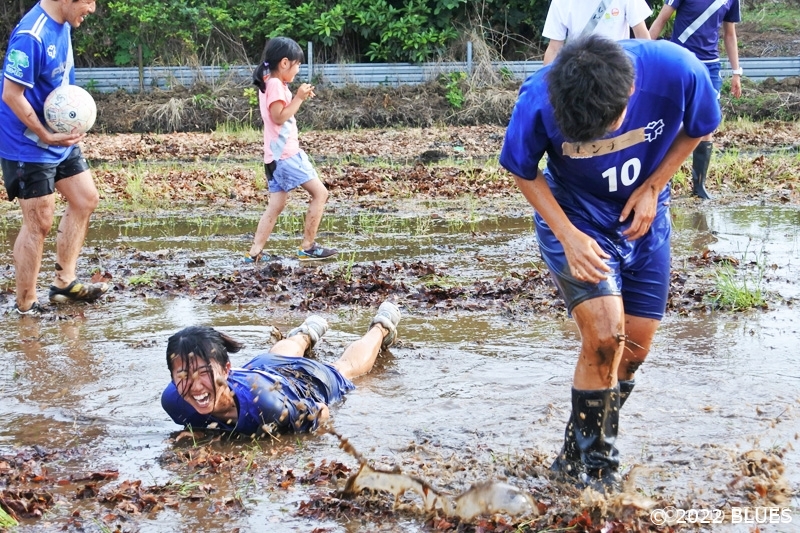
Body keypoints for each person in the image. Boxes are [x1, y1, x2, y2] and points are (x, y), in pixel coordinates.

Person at [499, 35, 720, 491]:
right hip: (576, 219)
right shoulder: (539, 95)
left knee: (633, 353)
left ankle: (572, 454)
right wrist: (568, 235)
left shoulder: (677, 70)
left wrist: (655, 186)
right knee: (604, 338)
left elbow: (700, 126)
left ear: (630, 94)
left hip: (643, 216)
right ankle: (599, 472)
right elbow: (522, 167)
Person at [1, 0, 108, 315]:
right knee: (39, 221)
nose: (91, 8)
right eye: (87, 1)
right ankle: (26, 302)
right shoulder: (31, 36)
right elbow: (11, 94)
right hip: (27, 141)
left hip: (57, 135)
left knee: (85, 199)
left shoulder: (63, 23)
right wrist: (44, 134)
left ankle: (64, 282)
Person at [161, 301, 401, 435]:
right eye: (182, 375)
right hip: (262, 367)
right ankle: (307, 333)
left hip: (300, 382)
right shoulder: (173, 400)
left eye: (204, 373)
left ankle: (381, 326)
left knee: (345, 368)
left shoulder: (269, 407)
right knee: (274, 357)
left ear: (226, 370)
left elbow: (322, 411)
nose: (195, 387)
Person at [245, 36, 337, 263]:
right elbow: (279, 117)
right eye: (297, 65)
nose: (298, 70)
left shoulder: (270, 82)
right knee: (320, 193)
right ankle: (308, 246)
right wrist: (298, 98)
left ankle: (255, 253)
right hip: (286, 155)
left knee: (276, 205)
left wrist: (295, 95)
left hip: (274, 157)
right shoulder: (275, 84)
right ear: (285, 63)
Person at [649, 0, 743, 199]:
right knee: (672, 122)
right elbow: (661, 19)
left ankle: (699, 186)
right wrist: (642, 55)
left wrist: (736, 72)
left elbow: (729, 34)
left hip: (710, 66)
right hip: (679, 60)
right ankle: (664, 182)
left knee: (706, 126)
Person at [542, 0, 652, 65]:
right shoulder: (561, 2)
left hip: (617, 71)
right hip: (578, 72)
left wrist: (650, 72)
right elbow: (554, 48)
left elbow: (642, 37)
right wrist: (545, 87)